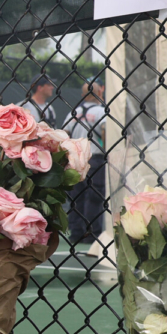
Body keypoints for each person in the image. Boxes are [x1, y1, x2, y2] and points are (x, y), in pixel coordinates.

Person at [62, 78, 107, 245]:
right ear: (100, 92)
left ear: (82, 94)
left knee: (76, 197)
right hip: (95, 157)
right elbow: (104, 131)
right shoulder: (101, 112)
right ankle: (92, 232)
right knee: (94, 196)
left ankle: (75, 232)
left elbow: (64, 134)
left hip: (75, 160)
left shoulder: (73, 113)